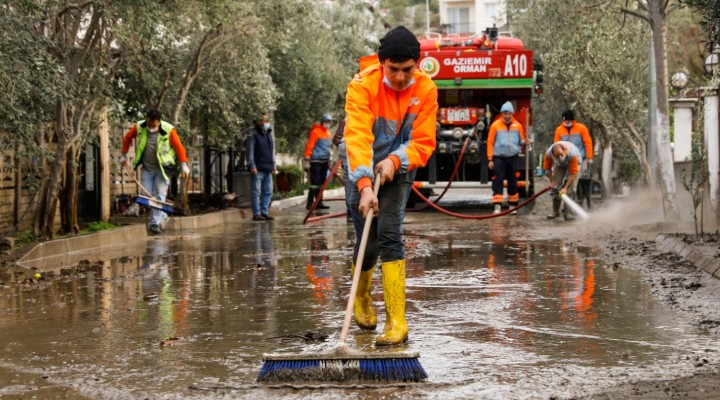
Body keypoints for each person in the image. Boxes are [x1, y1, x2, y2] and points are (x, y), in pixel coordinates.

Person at [344, 25, 438, 346]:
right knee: (367, 241)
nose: (400, 77)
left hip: (400, 169)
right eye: (393, 69)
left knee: (389, 235)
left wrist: (395, 161)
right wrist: (366, 184)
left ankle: (397, 321)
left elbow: (423, 141)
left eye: (407, 70)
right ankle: (363, 297)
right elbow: (356, 137)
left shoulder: (426, 90)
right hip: (363, 169)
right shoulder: (362, 87)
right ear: (382, 64)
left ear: (417, 64)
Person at [120, 109, 189, 234]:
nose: (151, 127)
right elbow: (127, 138)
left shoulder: (168, 130)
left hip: (163, 169)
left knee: (158, 196)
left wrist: (184, 163)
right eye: (149, 124)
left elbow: (179, 147)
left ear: (159, 122)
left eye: (154, 125)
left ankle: (155, 223)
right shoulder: (140, 126)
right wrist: (124, 154)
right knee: (146, 195)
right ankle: (162, 215)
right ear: (147, 119)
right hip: (147, 168)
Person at [487, 101, 526, 215]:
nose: (507, 116)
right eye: (504, 113)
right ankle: (497, 206)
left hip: (513, 157)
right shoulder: (495, 125)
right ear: (501, 114)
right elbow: (490, 142)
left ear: (512, 113)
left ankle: (512, 205)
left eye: (509, 113)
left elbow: (521, 141)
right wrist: (490, 159)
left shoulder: (518, 126)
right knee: (497, 181)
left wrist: (525, 142)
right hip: (499, 158)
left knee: (513, 181)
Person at [553, 110, 593, 209]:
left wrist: (589, 157)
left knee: (572, 184)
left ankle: (569, 208)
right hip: (564, 160)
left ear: (573, 119)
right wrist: (559, 157)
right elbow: (556, 145)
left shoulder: (581, 128)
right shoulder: (559, 130)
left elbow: (588, 143)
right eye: (565, 121)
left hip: (578, 159)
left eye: (568, 120)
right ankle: (558, 208)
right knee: (559, 184)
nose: (566, 122)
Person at [246, 113, 276, 221]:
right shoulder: (253, 135)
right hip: (257, 168)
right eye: (264, 120)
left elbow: (271, 151)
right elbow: (250, 151)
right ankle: (257, 213)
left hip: (268, 167)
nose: (266, 123)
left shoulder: (268, 134)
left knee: (268, 191)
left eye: (268, 120)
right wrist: (252, 164)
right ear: (258, 122)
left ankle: (264, 211)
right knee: (256, 191)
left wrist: (273, 164)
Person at [543, 141, 582, 220]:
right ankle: (555, 211)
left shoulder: (573, 154)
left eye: (561, 155)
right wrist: (552, 181)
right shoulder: (548, 154)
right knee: (556, 186)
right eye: (557, 156)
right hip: (559, 165)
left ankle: (568, 214)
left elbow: (573, 174)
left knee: (570, 189)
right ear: (553, 155)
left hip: (574, 163)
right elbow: (547, 169)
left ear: (565, 150)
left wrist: (565, 188)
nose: (560, 157)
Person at [303, 114, 333, 210]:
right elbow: (309, 146)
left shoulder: (328, 133)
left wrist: (330, 158)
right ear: (322, 122)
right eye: (326, 122)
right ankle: (310, 203)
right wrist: (307, 160)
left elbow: (329, 147)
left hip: (324, 161)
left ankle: (319, 203)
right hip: (316, 161)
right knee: (314, 183)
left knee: (321, 183)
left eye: (329, 122)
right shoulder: (315, 132)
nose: (328, 124)